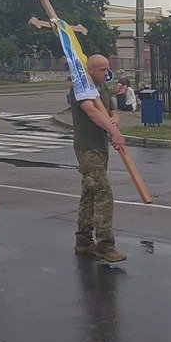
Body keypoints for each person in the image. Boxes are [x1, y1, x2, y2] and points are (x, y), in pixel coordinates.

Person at [70, 53, 130, 262]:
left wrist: (114, 120)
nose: (107, 73)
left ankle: (83, 240)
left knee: (89, 194)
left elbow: (112, 111)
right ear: (90, 70)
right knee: (104, 193)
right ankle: (105, 245)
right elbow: (93, 113)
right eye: (102, 69)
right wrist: (115, 133)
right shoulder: (80, 88)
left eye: (108, 68)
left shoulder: (102, 88)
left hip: (101, 147)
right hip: (87, 149)